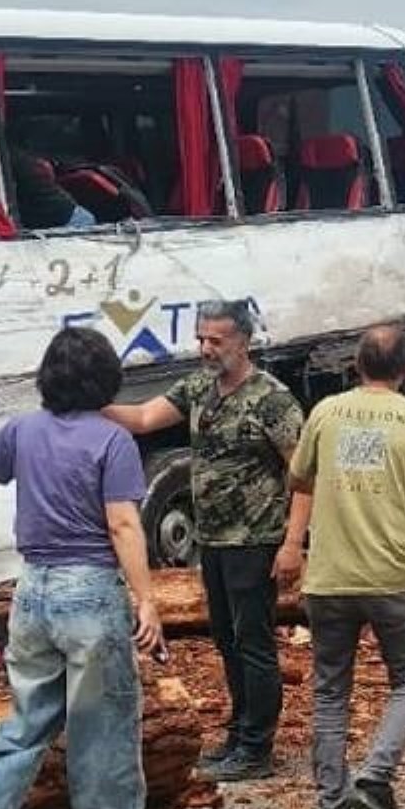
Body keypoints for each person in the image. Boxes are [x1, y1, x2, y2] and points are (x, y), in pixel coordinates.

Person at [0, 328, 163, 809]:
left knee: (26, 720)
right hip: (90, 594)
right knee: (102, 729)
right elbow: (123, 524)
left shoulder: (22, 430)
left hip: (31, 592)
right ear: (105, 380)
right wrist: (146, 599)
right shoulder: (111, 439)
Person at [104, 299, 302, 782]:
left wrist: (293, 542)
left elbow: (305, 474)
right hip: (211, 540)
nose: (206, 349)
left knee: (253, 640)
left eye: (216, 340)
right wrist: (90, 406)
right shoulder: (199, 388)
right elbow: (146, 418)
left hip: (255, 539)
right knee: (226, 638)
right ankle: (237, 732)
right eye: (201, 340)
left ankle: (257, 747)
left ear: (244, 341)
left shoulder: (272, 400)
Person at [273, 325, 405, 809]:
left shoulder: (327, 412)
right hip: (392, 573)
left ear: (356, 364)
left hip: (329, 575)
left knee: (331, 693)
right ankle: (374, 776)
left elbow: (299, 478)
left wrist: (294, 544)